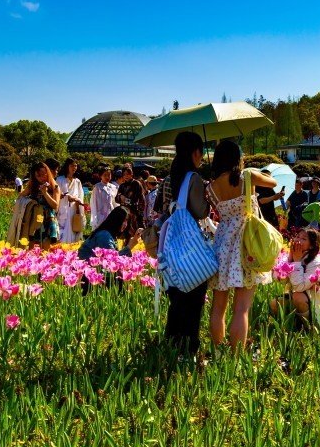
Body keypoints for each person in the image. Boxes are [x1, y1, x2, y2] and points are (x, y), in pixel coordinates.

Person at [206, 140, 277, 350]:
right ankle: (236, 357)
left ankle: (218, 350)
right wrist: (254, 169)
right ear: (237, 158)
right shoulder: (247, 176)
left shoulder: (210, 187)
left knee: (218, 306)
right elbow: (272, 182)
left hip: (222, 242)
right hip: (246, 244)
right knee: (241, 308)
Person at [152, 131, 211, 355]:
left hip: (170, 242)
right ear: (195, 152)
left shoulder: (171, 176)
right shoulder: (193, 178)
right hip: (189, 243)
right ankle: (188, 348)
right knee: (193, 297)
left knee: (176, 296)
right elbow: (201, 211)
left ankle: (171, 343)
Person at [77, 206, 142, 295]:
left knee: (120, 281)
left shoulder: (109, 235)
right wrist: (130, 246)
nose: (125, 224)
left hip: (96, 273)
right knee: (119, 284)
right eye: (123, 221)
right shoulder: (104, 236)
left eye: (127, 221)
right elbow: (112, 261)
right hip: (89, 278)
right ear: (115, 221)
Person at [279, 228, 320, 329]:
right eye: (297, 237)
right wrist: (290, 258)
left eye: (303, 239)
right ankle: (292, 324)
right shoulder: (296, 256)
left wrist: (296, 262)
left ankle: (308, 327)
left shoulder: (317, 264)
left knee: (298, 297)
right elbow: (280, 279)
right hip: (295, 297)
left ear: (311, 245)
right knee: (274, 304)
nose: (297, 240)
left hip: (315, 305)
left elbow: (299, 287)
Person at [7, 161, 60, 250]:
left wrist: (45, 193)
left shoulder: (55, 187)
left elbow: (55, 205)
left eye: (44, 174)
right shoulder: (33, 187)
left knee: (46, 247)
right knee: (31, 244)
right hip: (34, 218)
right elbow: (20, 198)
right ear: (35, 177)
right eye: (39, 176)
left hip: (48, 219)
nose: (42, 177)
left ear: (48, 172)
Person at [55, 158, 85, 243]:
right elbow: (57, 194)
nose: (74, 168)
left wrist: (76, 200)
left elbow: (80, 196)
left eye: (75, 166)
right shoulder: (60, 179)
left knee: (73, 229)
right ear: (67, 167)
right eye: (72, 166)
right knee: (62, 230)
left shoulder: (77, 181)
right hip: (63, 208)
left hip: (74, 209)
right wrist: (66, 197)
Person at [115, 165, 146, 237]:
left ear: (131, 174)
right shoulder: (122, 185)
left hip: (134, 211)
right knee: (124, 233)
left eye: (128, 174)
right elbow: (116, 199)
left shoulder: (136, 184)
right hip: (124, 211)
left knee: (135, 232)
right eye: (124, 174)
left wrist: (141, 212)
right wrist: (120, 198)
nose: (126, 176)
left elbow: (141, 199)